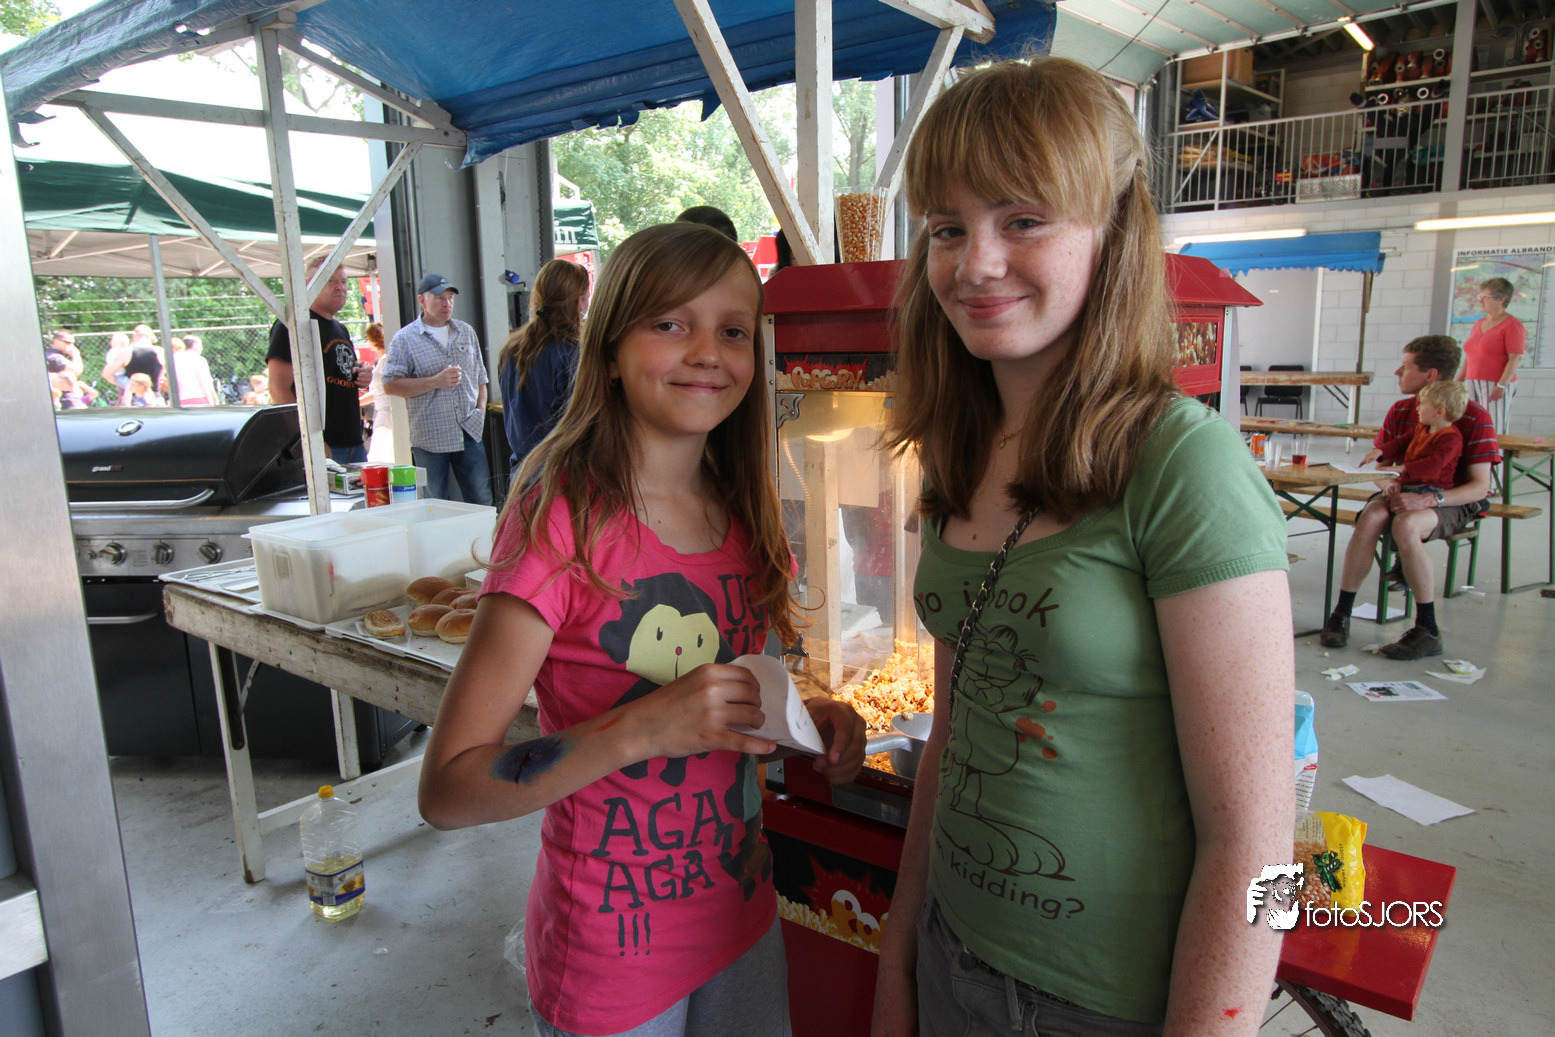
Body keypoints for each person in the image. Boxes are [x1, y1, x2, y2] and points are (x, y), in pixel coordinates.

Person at [870, 59, 1294, 1037]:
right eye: (945, 227)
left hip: (1102, 1005)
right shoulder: (955, 452)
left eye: (1022, 219)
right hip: (948, 951)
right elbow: (953, 730)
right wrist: (899, 943)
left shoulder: (1184, 464)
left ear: (1111, 232)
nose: (975, 264)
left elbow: (1261, 842)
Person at [417, 222, 867, 1037]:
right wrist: (642, 727)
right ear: (611, 346)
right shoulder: (561, 521)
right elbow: (448, 789)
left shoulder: (743, 511)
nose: (706, 352)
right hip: (609, 958)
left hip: (741, 919)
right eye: (670, 323)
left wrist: (803, 724)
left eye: (733, 331)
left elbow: (723, 709)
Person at [1320, 336, 1500, 660]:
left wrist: (1429, 500)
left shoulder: (1473, 416)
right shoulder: (1403, 410)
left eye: (1405, 366)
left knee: (1405, 525)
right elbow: (1381, 468)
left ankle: (1427, 628)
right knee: (1372, 517)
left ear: (1430, 375)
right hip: (1403, 490)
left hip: (1449, 499)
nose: (1397, 372)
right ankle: (1342, 612)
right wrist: (1387, 484)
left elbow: (1479, 487)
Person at [382, 273, 493, 505]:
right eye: (439, 298)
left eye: (450, 298)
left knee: (482, 498)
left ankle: (484, 532)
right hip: (430, 437)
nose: (447, 304)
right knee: (434, 503)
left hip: (469, 429)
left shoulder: (465, 332)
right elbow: (390, 384)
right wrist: (434, 381)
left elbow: (481, 378)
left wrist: (480, 413)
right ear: (422, 300)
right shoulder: (405, 339)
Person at [266, 257, 372, 462]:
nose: (340, 287)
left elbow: (339, 372)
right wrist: (308, 439)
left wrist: (361, 377)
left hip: (353, 442)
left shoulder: (340, 329)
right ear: (309, 284)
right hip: (323, 443)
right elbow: (278, 388)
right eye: (331, 281)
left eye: (344, 282)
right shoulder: (293, 324)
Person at [497, 258, 589, 477]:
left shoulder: (511, 350)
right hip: (559, 478)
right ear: (580, 302)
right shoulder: (572, 354)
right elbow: (584, 429)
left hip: (522, 475)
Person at [1373, 378, 1467, 496]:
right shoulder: (1421, 428)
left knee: (1399, 504)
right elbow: (1400, 443)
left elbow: (1435, 463)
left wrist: (1403, 468)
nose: (1417, 408)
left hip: (1432, 488)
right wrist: (1380, 451)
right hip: (1410, 483)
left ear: (1439, 411)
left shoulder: (1451, 437)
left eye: (1422, 404)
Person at [1459, 276, 1524, 433]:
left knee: (1493, 427)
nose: (1480, 300)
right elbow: (1470, 355)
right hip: (1472, 381)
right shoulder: (1479, 323)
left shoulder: (1512, 325)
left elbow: (1515, 358)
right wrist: (1459, 381)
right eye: (1480, 296)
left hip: (1495, 383)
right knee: (1471, 426)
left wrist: (1502, 385)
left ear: (1501, 299)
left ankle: (1495, 451)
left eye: (1485, 297)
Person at [360, 322, 397, 464]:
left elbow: (379, 391)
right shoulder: (384, 360)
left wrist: (357, 402)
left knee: (378, 456)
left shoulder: (385, 360)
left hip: (385, 413)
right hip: (384, 411)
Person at [103, 325, 163, 396]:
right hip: (153, 395)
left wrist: (125, 385)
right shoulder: (160, 351)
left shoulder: (126, 352)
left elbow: (106, 374)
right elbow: (161, 375)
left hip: (133, 396)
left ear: (134, 335)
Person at [162, 335, 220, 406]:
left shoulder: (174, 359)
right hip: (198, 398)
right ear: (194, 344)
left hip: (179, 400)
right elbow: (204, 382)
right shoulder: (198, 359)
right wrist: (212, 400)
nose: (202, 348)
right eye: (200, 345)